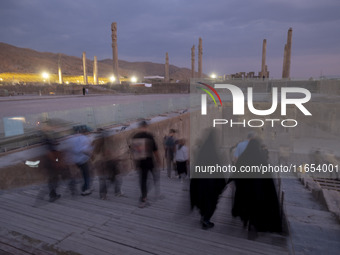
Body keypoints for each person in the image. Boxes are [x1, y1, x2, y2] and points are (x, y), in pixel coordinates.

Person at [232, 138, 282, 237]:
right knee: (255, 208)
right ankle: (252, 225)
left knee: (246, 207)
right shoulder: (261, 160)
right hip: (257, 191)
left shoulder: (243, 157)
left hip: (245, 191)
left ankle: (246, 221)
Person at [190, 129, 226, 229]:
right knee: (212, 202)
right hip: (211, 183)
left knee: (203, 200)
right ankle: (206, 220)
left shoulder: (202, 152)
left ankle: (203, 216)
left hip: (201, 182)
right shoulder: (214, 153)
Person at [131, 120, 161, 208]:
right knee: (154, 178)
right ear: (146, 127)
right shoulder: (149, 136)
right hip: (149, 162)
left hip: (140, 162)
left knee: (143, 180)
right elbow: (155, 150)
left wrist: (135, 163)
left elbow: (134, 151)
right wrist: (159, 160)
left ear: (140, 127)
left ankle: (144, 197)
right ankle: (148, 196)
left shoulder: (135, 136)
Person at [92, 129, 123, 200]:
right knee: (114, 177)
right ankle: (116, 192)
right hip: (107, 162)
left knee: (104, 179)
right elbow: (110, 152)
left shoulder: (98, 141)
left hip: (103, 163)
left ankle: (103, 194)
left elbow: (94, 153)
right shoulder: (107, 141)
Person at [64, 128, 93, 196]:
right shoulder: (83, 138)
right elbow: (84, 149)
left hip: (74, 160)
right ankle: (85, 190)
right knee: (86, 175)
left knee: (75, 174)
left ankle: (72, 187)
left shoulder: (70, 138)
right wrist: (90, 154)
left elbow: (68, 149)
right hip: (82, 160)